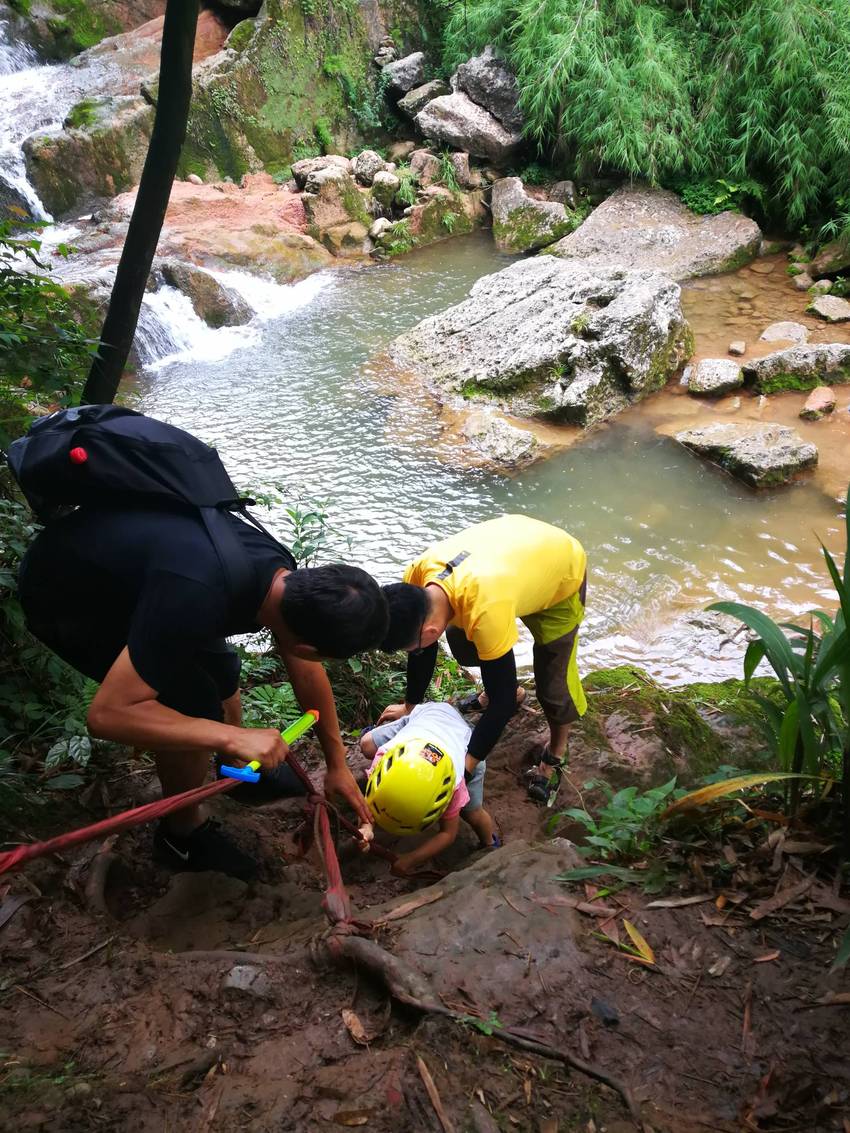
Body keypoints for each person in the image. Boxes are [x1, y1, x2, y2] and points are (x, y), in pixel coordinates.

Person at [18, 504, 388, 879]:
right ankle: (180, 835)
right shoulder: (195, 596)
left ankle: (236, 775)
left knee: (222, 669)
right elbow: (107, 715)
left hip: (143, 582)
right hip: (68, 596)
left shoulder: (284, 580)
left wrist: (337, 764)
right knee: (192, 703)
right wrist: (232, 736)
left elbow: (305, 669)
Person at [379, 515, 587, 803]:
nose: (411, 652)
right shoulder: (415, 579)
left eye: (409, 648)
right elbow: (423, 650)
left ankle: (556, 752)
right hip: (512, 560)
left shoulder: (485, 610)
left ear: (430, 631)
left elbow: (502, 704)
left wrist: (465, 766)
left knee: (553, 682)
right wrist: (409, 707)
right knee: (464, 644)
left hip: (559, 571)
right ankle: (505, 689)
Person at [359, 701, 500, 875]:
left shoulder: (453, 784)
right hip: (427, 716)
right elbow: (369, 798)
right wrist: (366, 827)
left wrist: (411, 859)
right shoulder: (385, 758)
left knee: (472, 813)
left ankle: (490, 843)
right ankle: (387, 724)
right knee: (367, 744)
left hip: (465, 745)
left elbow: (448, 833)